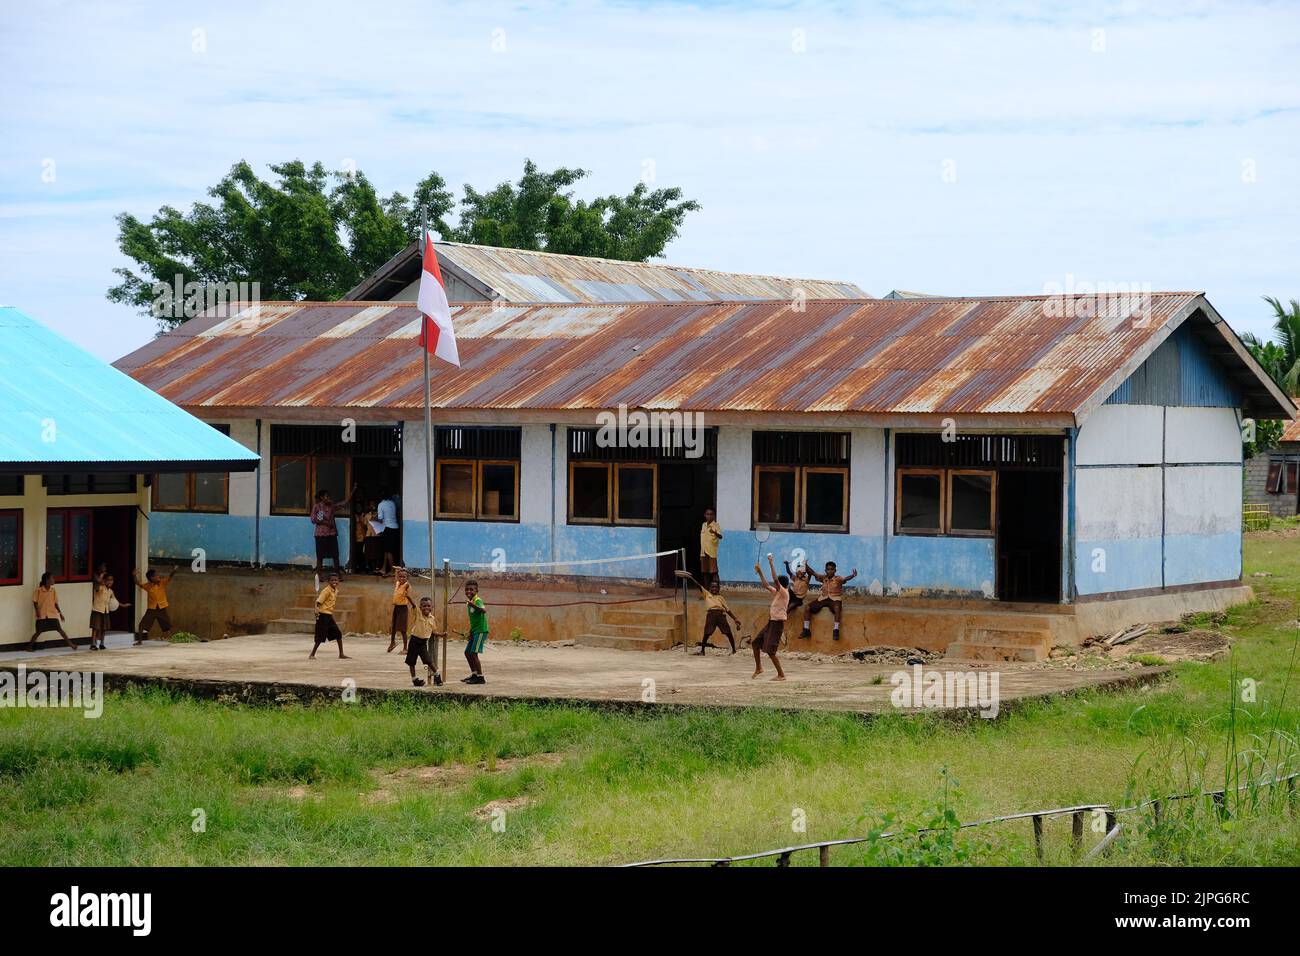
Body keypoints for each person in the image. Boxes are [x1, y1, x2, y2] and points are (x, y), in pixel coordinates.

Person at [801, 560, 858, 640]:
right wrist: (805, 565)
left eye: (832, 569)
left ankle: (836, 630)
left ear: (835, 570)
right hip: (823, 598)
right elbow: (813, 572)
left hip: (834, 598)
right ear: (825, 570)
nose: (830, 571)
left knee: (837, 608)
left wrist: (853, 575)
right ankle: (806, 629)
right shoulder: (823, 578)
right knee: (807, 607)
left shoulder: (838, 579)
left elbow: (845, 579)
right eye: (828, 569)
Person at [752, 554, 788, 681]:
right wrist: (760, 571)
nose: (776, 584)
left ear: (782, 586)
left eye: (778, 583)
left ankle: (781, 675)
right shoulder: (778, 592)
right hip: (771, 623)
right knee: (755, 643)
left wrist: (771, 562)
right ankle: (759, 668)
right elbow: (767, 585)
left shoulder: (784, 592)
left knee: (771, 652)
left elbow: (774, 579)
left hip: (777, 624)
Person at [311, 485, 357, 576]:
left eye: (329, 496)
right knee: (320, 557)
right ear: (321, 498)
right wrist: (326, 523)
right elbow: (313, 520)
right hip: (321, 535)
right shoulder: (318, 507)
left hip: (331, 534)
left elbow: (345, 502)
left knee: (335, 555)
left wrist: (353, 490)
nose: (329, 498)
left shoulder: (332, 507)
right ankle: (319, 576)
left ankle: (338, 574)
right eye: (327, 496)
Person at [28, 572, 76, 651]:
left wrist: (60, 614)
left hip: (51, 614)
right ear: (47, 580)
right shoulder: (39, 590)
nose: (54, 580)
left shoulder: (53, 591)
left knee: (60, 630)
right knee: (38, 631)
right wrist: (37, 611)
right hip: (42, 614)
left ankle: (71, 645)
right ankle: (29, 647)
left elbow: (56, 603)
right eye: (52, 578)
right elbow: (35, 602)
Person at [309, 572, 350, 659]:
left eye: (336, 580)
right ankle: (312, 654)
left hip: (329, 615)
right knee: (320, 636)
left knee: (338, 634)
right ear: (329, 581)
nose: (334, 581)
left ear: (339, 581)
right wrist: (316, 610)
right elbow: (318, 602)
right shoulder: (326, 591)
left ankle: (341, 654)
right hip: (323, 615)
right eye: (332, 580)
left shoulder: (336, 591)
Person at [406, 596, 445, 687]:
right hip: (414, 641)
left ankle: (437, 675)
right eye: (424, 606)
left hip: (423, 642)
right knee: (411, 661)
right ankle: (414, 679)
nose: (426, 608)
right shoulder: (418, 613)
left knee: (428, 660)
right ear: (420, 607)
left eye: (428, 606)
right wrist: (408, 597)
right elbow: (413, 604)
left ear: (432, 607)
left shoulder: (432, 618)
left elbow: (434, 631)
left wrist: (441, 634)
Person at [133, 566, 176, 645]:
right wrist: (134, 575)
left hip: (161, 608)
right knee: (142, 625)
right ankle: (139, 641)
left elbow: (170, 577)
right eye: (156, 575)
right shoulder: (148, 586)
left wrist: (174, 571)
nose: (158, 576)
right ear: (152, 578)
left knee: (168, 624)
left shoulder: (162, 583)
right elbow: (138, 583)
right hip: (152, 609)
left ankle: (174, 638)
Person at [695, 579, 740, 655]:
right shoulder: (706, 594)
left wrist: (735, 618)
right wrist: (690, 578)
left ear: (718, 588)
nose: (714, 589)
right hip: (711, 615)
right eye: (712, 587)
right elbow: (699, 586)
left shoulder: (721, 598)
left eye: (716, 587)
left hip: (720, 615)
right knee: (706, 633)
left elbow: (727, 610)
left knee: (728, 632)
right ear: (710, 588)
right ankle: (702, 650)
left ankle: (734, 649)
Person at [89, 573, 128, 651]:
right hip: (97, 610)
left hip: (106, 611)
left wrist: (123, 605)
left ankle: (102, 643)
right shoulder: (100, 588)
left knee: (104, 628)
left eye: (112, 580)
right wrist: (100, 579)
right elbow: (96, 587)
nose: (110, 582)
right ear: (104, 581)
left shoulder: (110, 591)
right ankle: (93, 644)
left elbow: (115, 601)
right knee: (95, 628)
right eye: (108, 580)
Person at [462, 579, 488, 685]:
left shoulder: (477, 600)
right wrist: (470, 631)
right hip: (475, 631)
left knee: (473, 653)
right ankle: (474, 674)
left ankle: (480, 677)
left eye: (471, 590)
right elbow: (473, 619)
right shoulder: (470, 602)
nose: (469, 591)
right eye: (467, 589)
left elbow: (483, 610)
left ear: (476, 590)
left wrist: (473, 605)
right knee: (467, 652)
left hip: (481, 631)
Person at [386, 567, 417, 654]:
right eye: (400, 577)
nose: (401, 578)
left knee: (403, 629)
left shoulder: (407, 585)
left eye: (404, 577)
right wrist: (398, 570)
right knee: (394, 627)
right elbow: (397, 576)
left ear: (407, 578)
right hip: (396, 608)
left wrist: (413, 605)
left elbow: (408, 593)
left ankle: (405, 648)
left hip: (403, 609)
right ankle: (392, 643)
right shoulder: (397, 583)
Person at [376, 490, 399, 577]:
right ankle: (384, 568)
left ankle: (392, 571)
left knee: (389, 550)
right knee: (386, 549)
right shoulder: (392, 503)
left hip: (387, 528)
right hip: (395, 527)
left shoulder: (381, 505)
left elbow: (380, 519)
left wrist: (374, 519)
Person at [785, 558, 811, 633]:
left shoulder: (806, 580)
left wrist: (805, 564)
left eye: (801, 573)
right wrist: (787, 564)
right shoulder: (795, 578)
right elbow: (789, 572)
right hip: (792, 596)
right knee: (788, 589)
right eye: (798, 572)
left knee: (790, 607)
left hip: (798, 600)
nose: (799, 574)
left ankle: (781, 618)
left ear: (804, 573)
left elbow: (810, 573)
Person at [699, 508, 722, 587]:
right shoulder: (703, 525)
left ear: (714, 516)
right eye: (708, 514)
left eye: (711, 514)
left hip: (712, 552)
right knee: (704, 572)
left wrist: (715, 533)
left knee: (714, 571)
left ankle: (716, 589)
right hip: (703, 552)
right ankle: (706, 589)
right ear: (705, 515)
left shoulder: (716, 525)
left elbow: (720, 536)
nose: (709, 516)